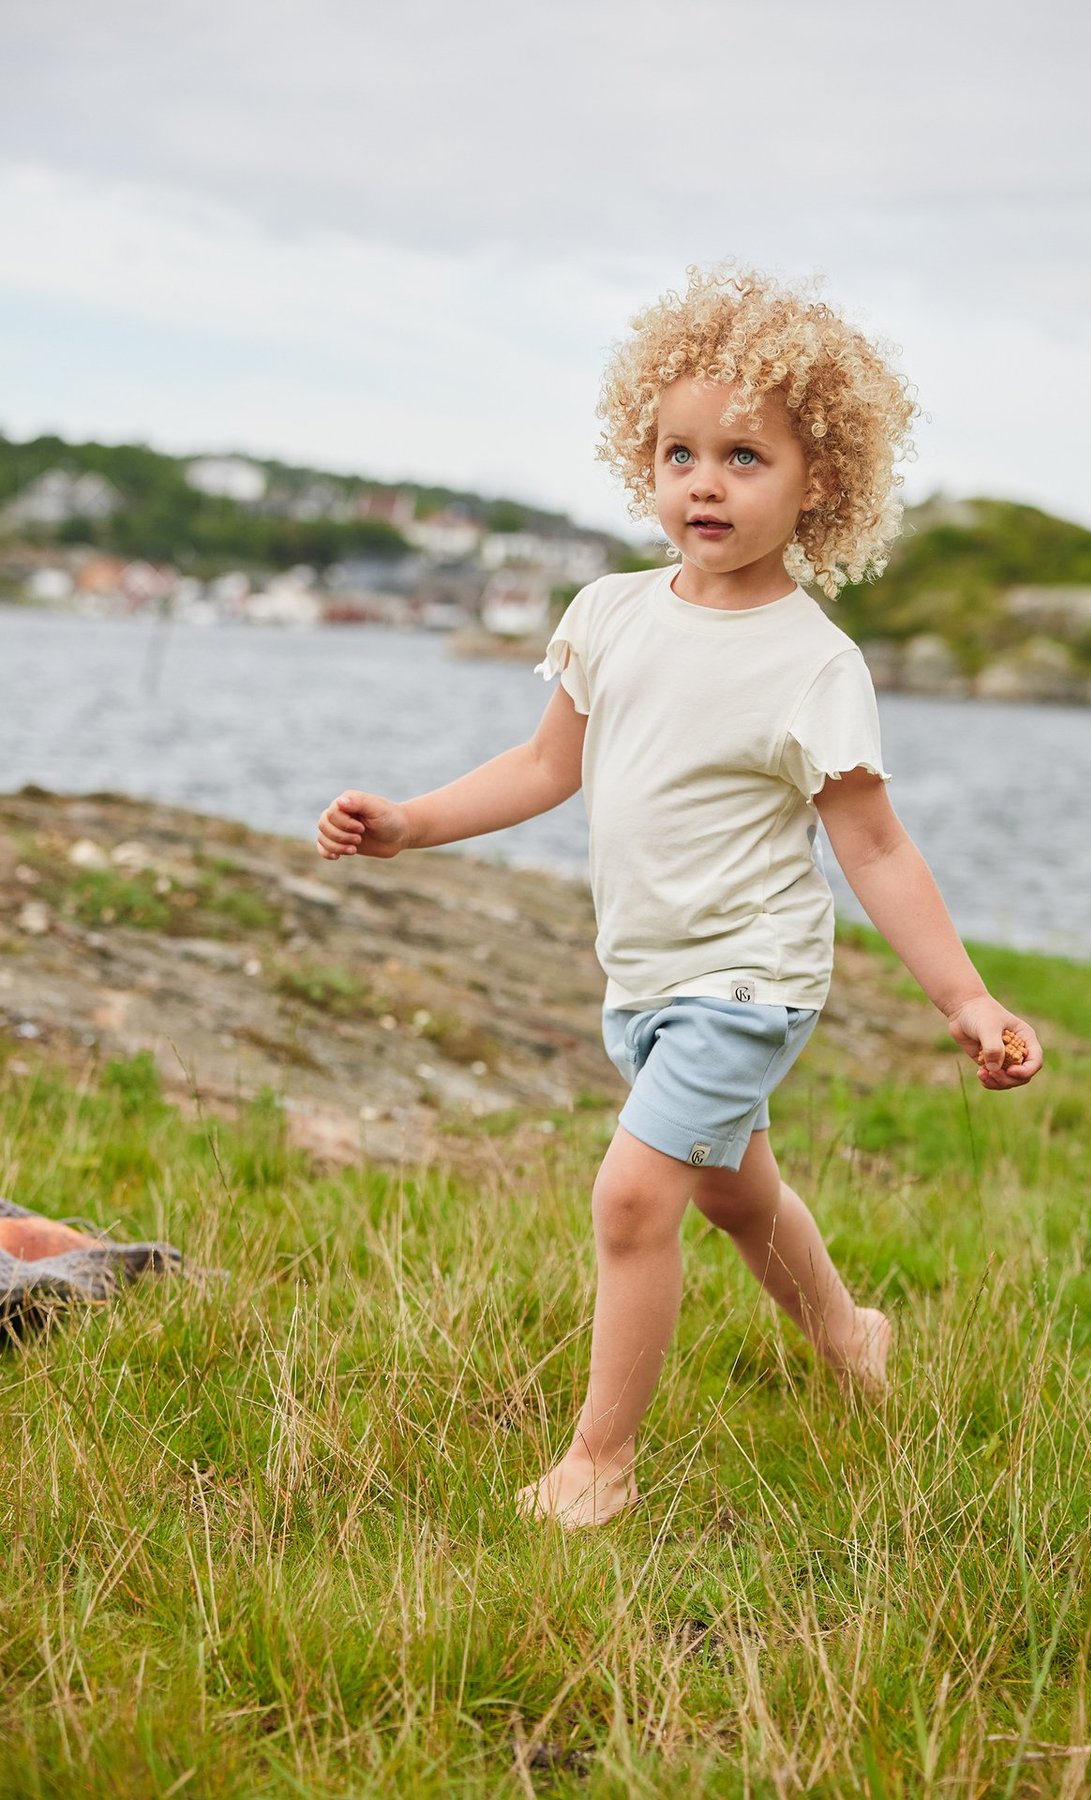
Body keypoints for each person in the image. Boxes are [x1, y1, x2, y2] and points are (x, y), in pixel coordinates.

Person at [315, 265, 1044, 1529]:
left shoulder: (815, 664)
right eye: (679, 451)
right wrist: (415, 823)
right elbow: (549, 766)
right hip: (645, 976)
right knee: (732, 1188)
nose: (705, 481)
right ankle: (851, 1339)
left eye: (746, 456)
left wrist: (966, 999)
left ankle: (600, 1463)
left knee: (635, 1195)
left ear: (820, 484)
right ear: (642, 459)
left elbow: (871, 847)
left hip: (750, 980)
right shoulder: (606, 613)